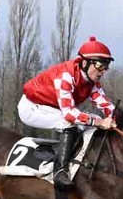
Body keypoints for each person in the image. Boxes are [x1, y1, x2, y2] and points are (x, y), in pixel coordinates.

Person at [18, 36, 117, 187]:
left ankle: (79, 161)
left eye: (106, 66)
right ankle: (60, 171)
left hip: (51, 108)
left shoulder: (91, 82)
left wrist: (114, 117)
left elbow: (105, 104)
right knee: (69, 123)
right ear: (85, 63)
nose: (103, 71)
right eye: (100, 65)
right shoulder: (66, 76)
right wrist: (99, 122)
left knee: (93, 119)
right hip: (32, 107)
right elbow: (69, 114)